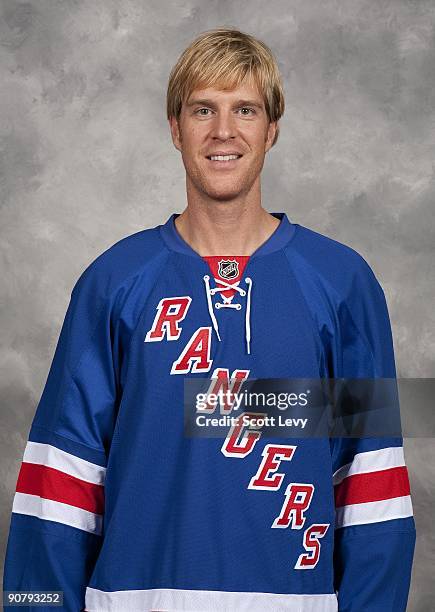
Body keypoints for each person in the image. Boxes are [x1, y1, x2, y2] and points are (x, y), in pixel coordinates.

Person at [3, 27, 416, 611]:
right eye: (203, 109)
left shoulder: (344, 284)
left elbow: (372, 489)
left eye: (244, 109)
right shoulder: (113, 282)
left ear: (271, 128)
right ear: (175, 129)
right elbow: (59, 487)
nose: (224, 131)